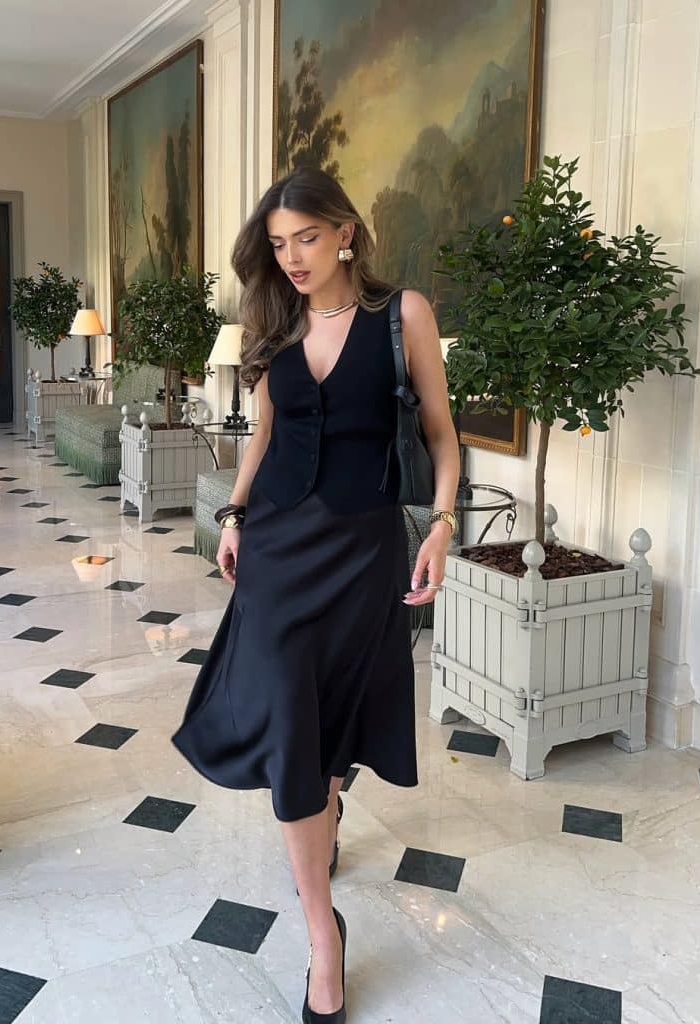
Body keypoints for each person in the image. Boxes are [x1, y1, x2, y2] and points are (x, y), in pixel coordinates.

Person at [172, 166, 460, 1023]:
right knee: (290, 726)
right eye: (276, 244)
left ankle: (324, 816)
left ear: (344, 232)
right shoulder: (272, 321)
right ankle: (321, 937)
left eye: (305, 237)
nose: (291, 258)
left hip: (362, 550)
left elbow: (441, 437)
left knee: (330, 719)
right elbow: (265, 432)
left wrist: (441, 526)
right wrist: (230, 514)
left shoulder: (400, 314)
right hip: (276, 549)